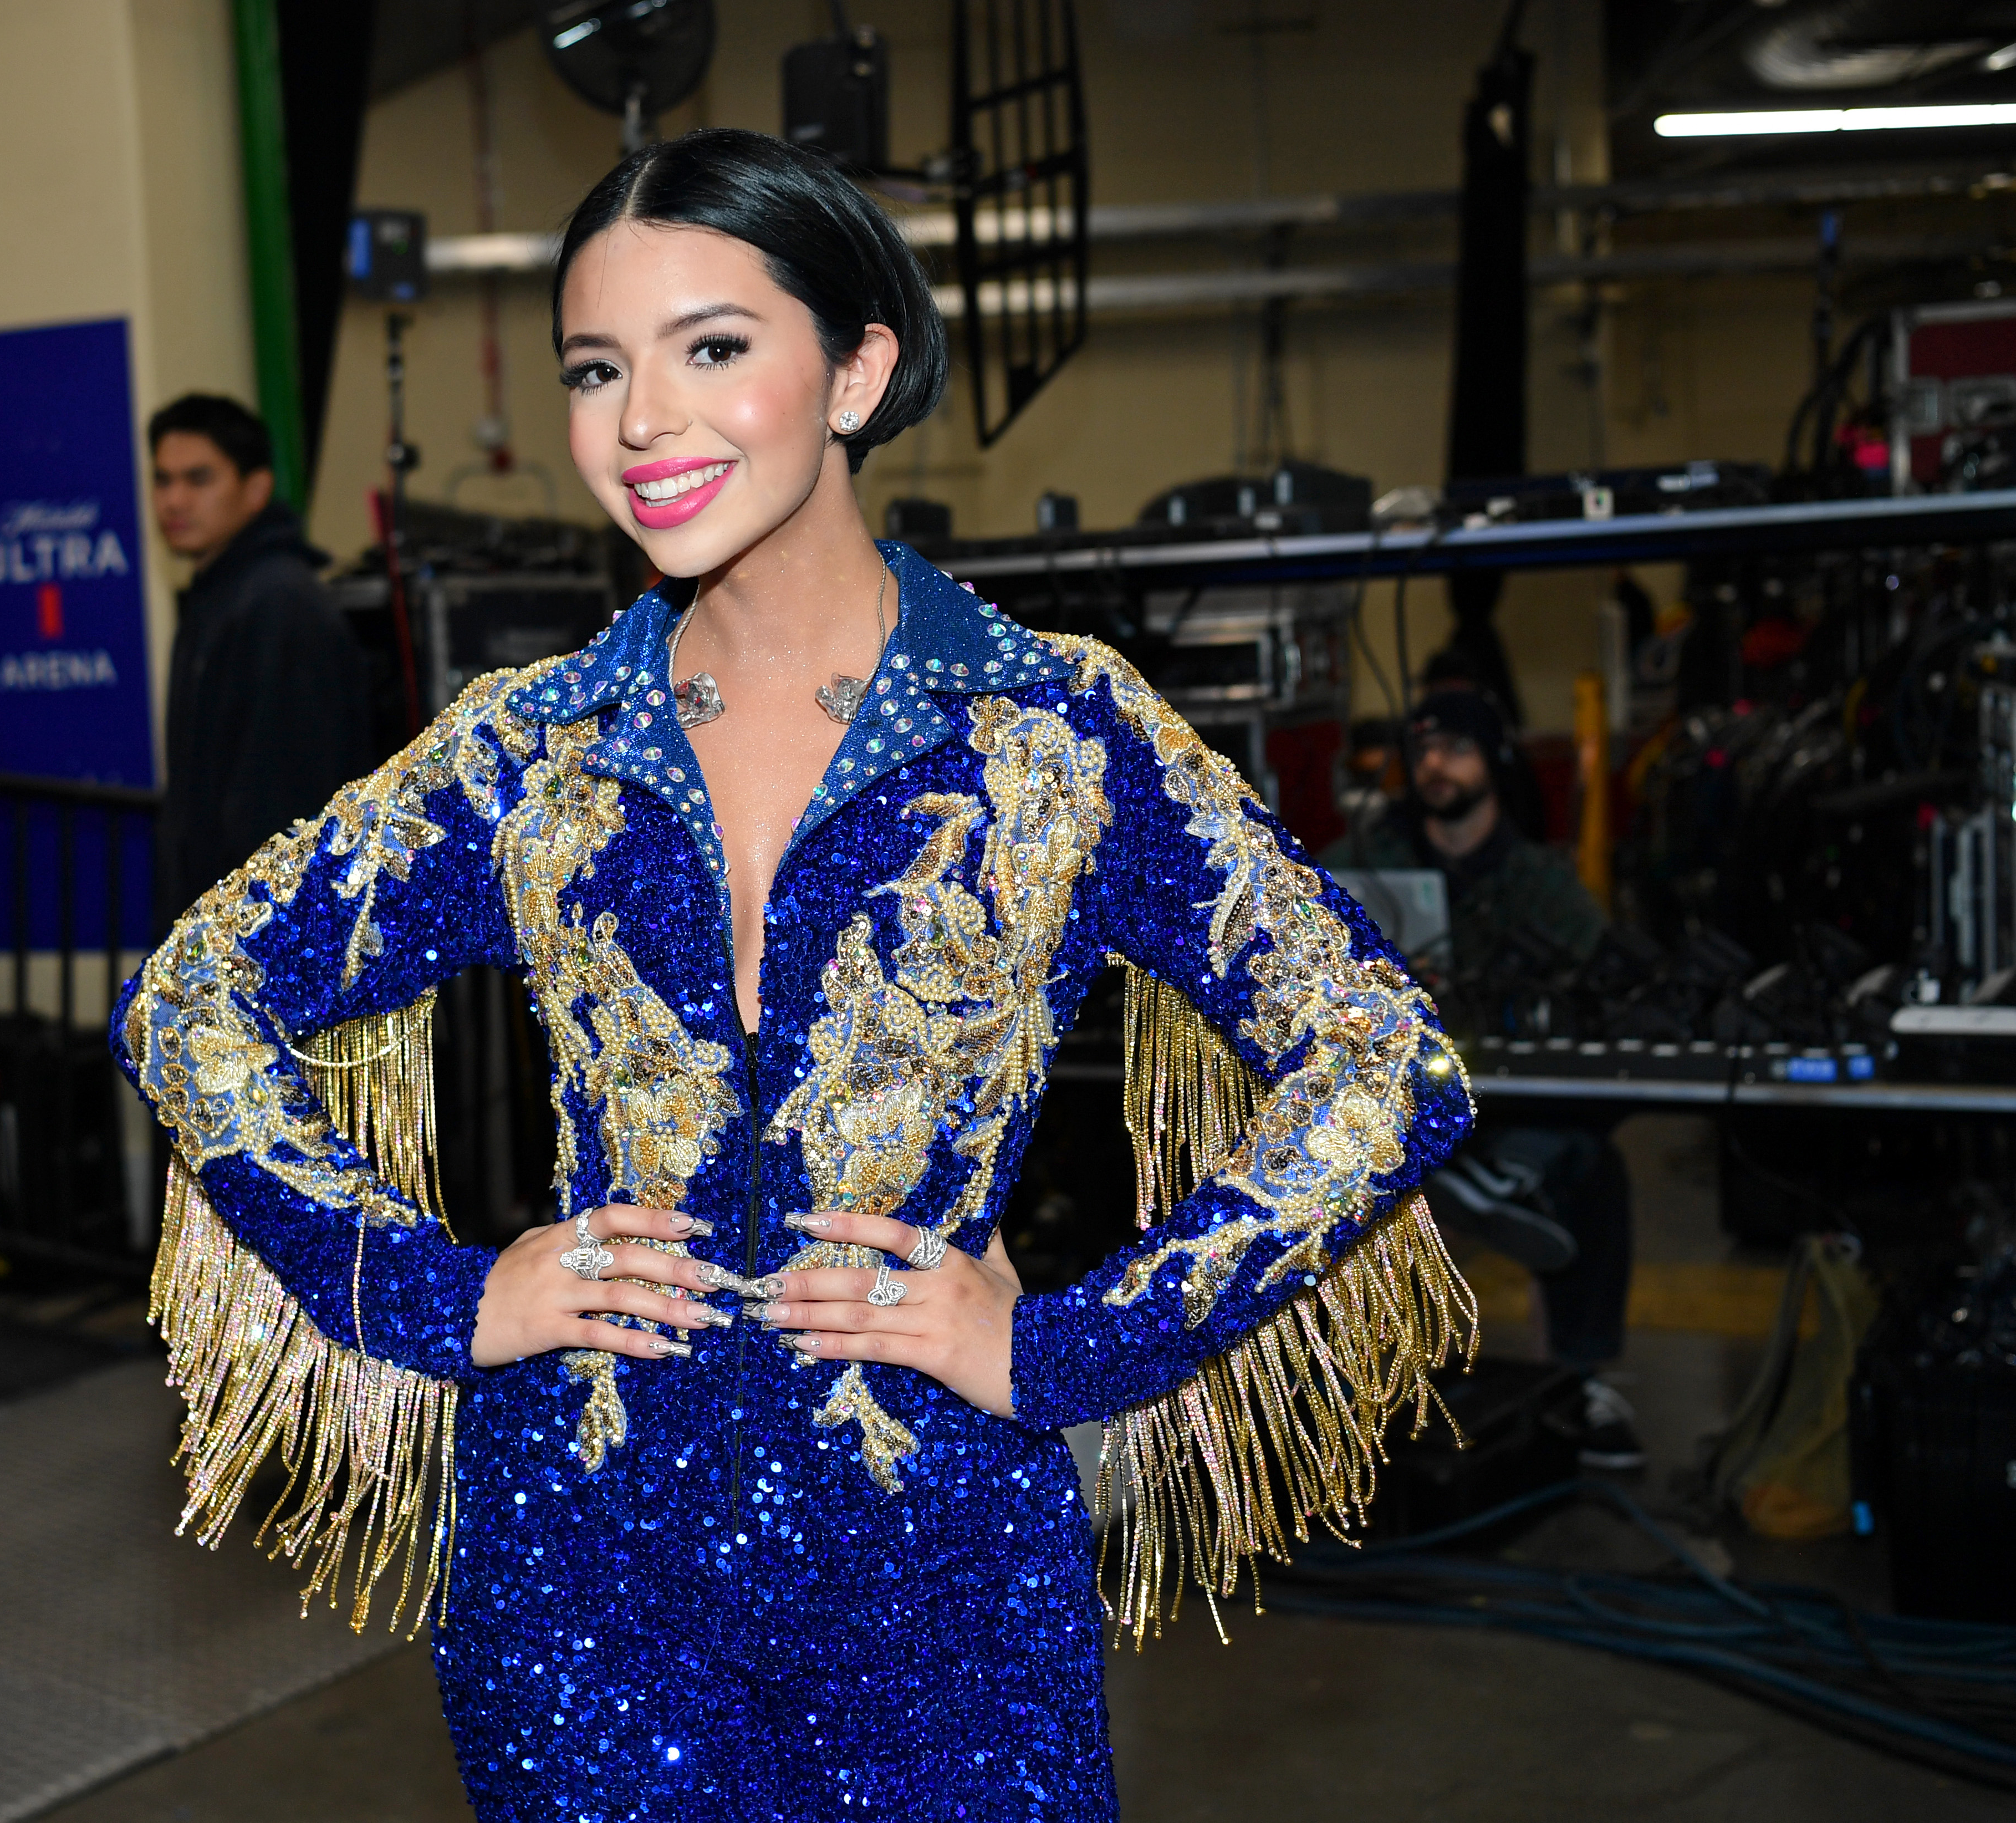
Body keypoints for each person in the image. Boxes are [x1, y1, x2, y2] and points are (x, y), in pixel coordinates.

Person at [113, 129, 1473, 1820]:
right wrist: (438, 1293)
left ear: (856, 369)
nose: (642, 420)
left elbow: (1386, 1061)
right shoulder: (531, 751)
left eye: (714, 347)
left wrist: (1069, 1349)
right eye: (598, 368)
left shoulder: (1051, 731)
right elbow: (190, 998)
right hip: (580, 1589)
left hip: (944, 1583)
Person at [1324, 687, 1642, 1469]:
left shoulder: (1539, 880)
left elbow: (1605, 983)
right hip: (1401, 1094)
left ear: (1494, 761)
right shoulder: (1371, 863)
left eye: (1457, 748)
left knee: (1597, 1169)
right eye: (1424, 749)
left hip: (1513, 1094)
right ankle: (1344, 1387)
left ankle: (1579, 1379)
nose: (1436, 765)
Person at [147, 393, 376, 924]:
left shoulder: (279, 606)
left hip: (263, 942)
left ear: (256, 489)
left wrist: (240, 947)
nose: (175, 500)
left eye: (198, 479)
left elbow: (281, 806)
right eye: (163, 480)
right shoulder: (223, 596)